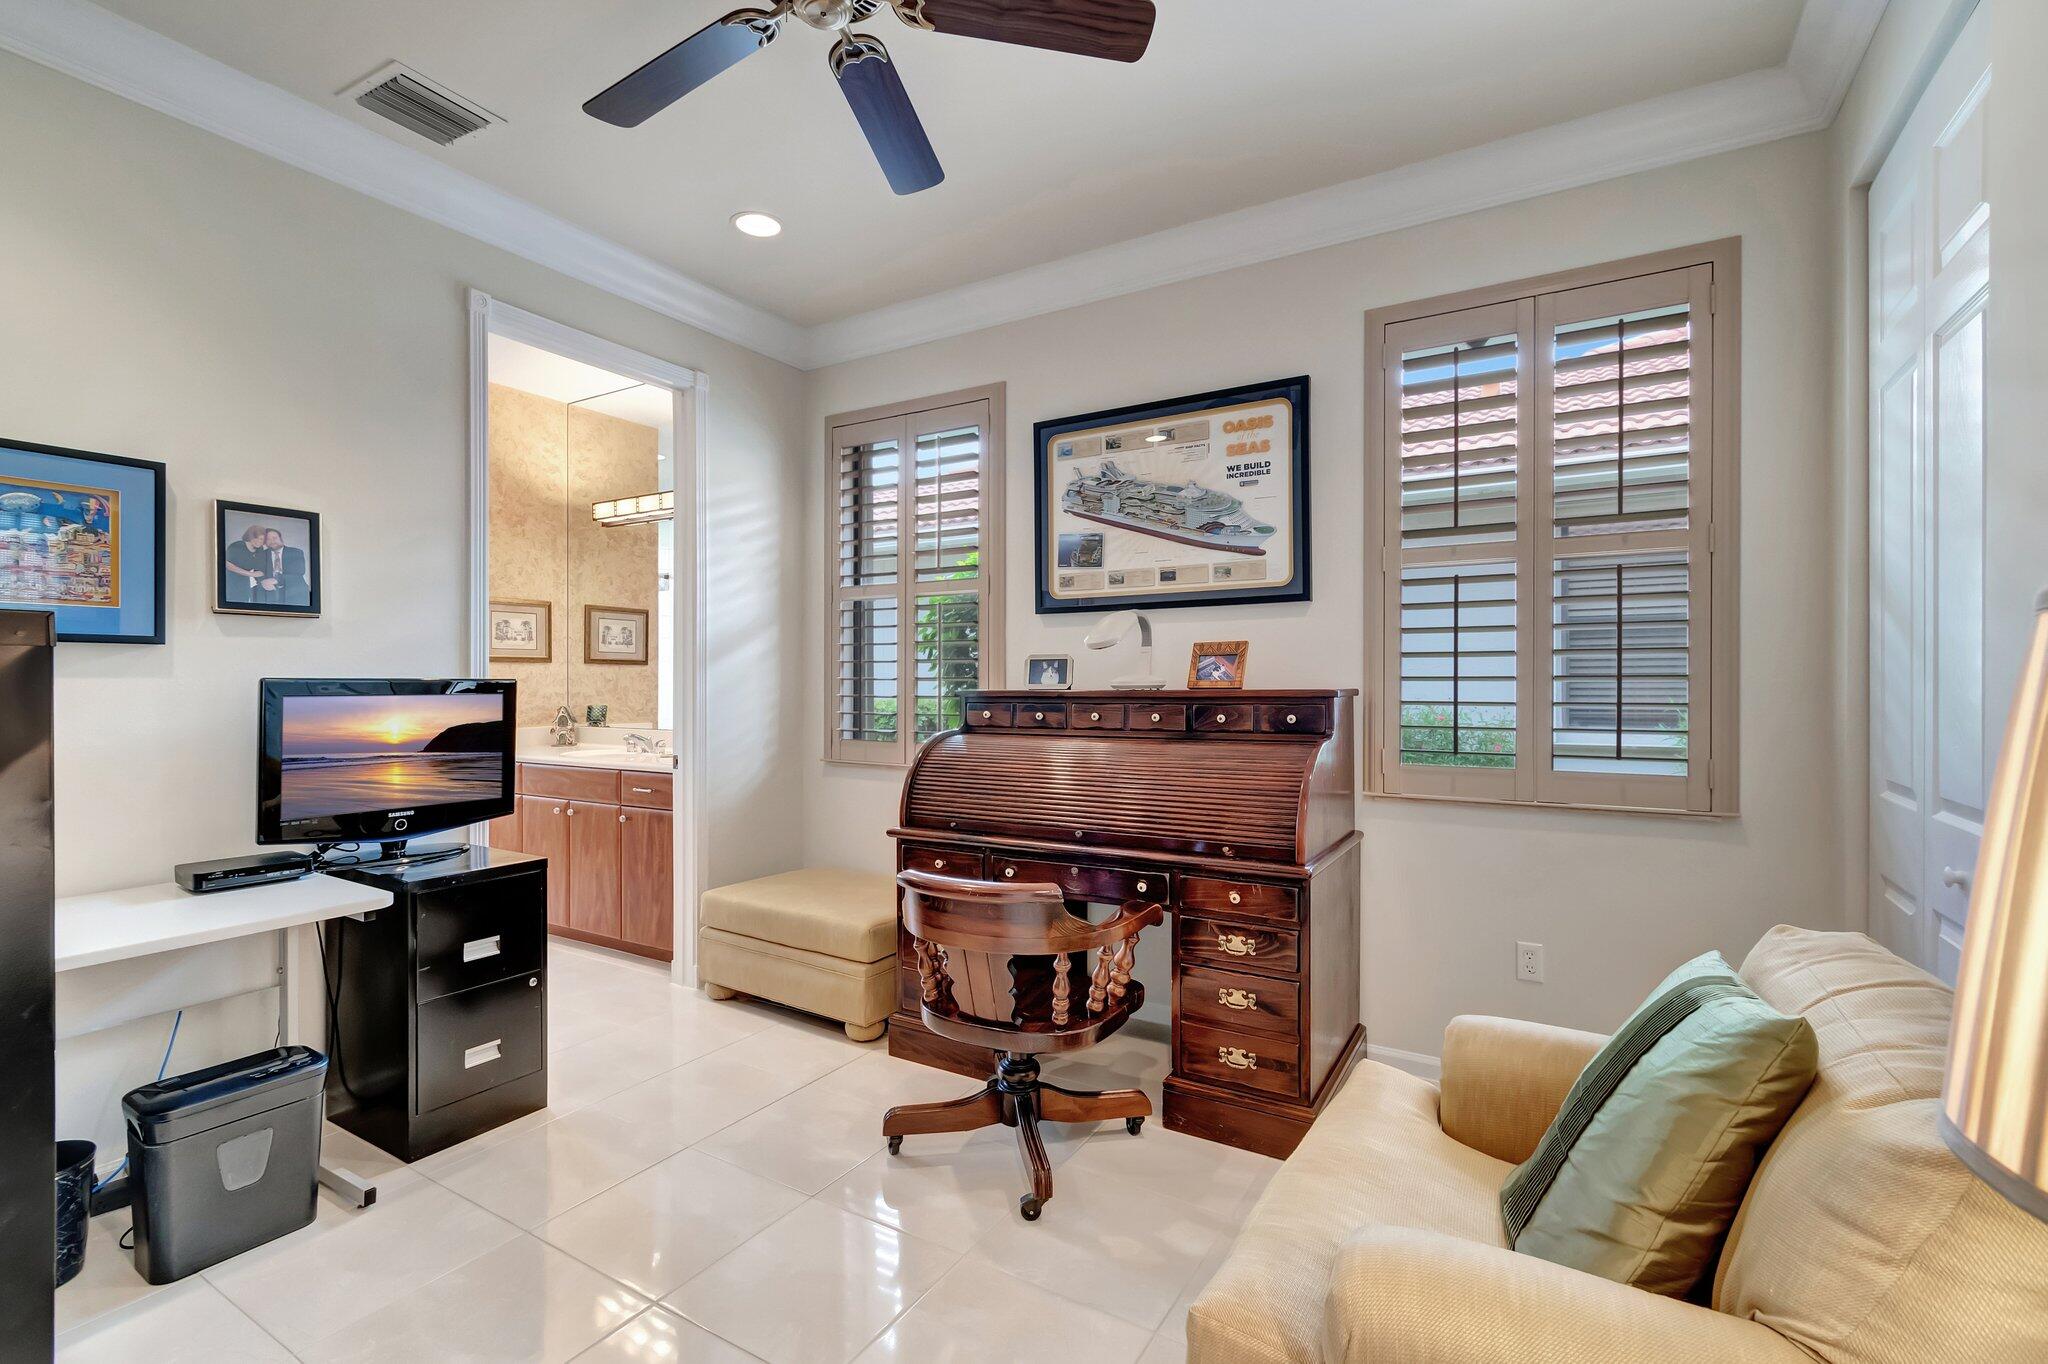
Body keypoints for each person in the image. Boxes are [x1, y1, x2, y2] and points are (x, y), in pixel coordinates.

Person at [263, 527, 309, 606]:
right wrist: (262, 581)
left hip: (295, 590)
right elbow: (258, 572)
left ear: (281, 539)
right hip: (271, 592)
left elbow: (299, 572)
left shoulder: (295, 552)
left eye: (274, 538)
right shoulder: (262, 555)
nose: (272, 541)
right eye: (268, 539)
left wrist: (276, 579)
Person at [223, 523, 267, 604]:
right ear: (250, 537)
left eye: (261, 539)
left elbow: (261, 572)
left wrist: (249, 574)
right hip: (229, 580)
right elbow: (226, 564)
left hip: (244, 583)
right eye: (255, 538)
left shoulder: (260, 550)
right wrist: (249, 574)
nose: (258, 541)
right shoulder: (237, 546)